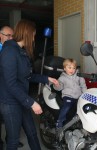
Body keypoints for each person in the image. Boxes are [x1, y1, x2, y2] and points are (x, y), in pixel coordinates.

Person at [0, 19, 59, 150]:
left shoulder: (22, 52)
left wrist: (46, 79)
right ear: (26, 33)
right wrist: (32, 102)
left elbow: (28, 75)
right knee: (13, 141)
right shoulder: (9, 52)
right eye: (33, 34)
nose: (33, 38)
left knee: (32, 133)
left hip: (22, 99)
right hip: (10, 102)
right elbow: (11, 84)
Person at [0, 26, 24, 149]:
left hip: (7, 89)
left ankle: (10, 138)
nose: (10, 38)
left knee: (10, 119)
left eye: (12, 36)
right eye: (8, 35)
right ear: (0, 35)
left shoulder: (12, 49)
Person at [54, 58, 87, 128]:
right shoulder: (62, 78)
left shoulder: (79, 76)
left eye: (74, 68)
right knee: (66, 107)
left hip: (78, 96)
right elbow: (60, 88)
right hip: (68, 96)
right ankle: (60, 121)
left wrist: (85, 94)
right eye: (69, 68)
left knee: (80, 108)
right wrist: (56, 85)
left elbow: (83, 85)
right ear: (65, 68)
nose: (72, 70)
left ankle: (74, 122)